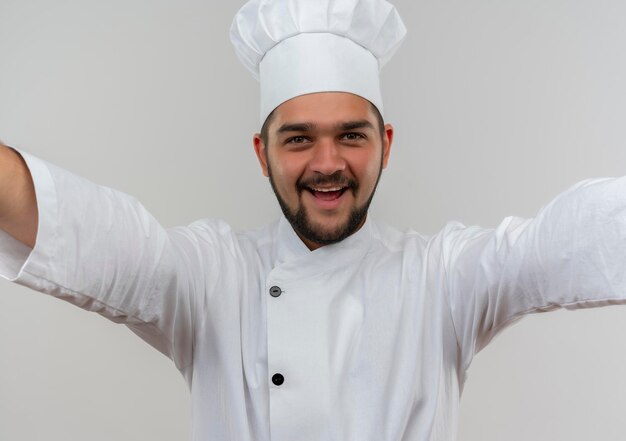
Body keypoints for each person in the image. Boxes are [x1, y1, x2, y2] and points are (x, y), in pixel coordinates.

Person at [2, 0, 626, 440]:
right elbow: (99, 236)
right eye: (298, 139)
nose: (328, 164)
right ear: (261, 152)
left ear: (385, 143)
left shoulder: (443, 277)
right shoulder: (212, 276)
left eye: (350, 135)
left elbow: (554, 245)